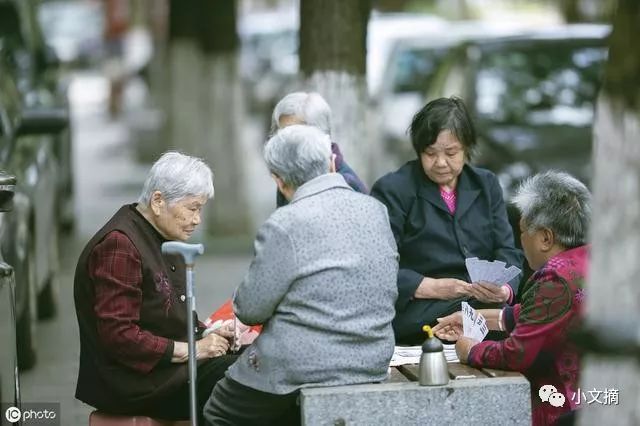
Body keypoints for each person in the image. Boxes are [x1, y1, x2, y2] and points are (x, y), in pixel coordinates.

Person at [204, 125, 399, 425]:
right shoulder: (376, 210)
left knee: (219, 412)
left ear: (279, 181)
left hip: (300, 367)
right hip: (372, 359)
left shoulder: (285, 223)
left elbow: (250, 307)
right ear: (332, 163)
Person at [74, 152, 237, 421]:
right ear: (158, 201)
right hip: (136, 385)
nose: (197, 220)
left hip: (166, 373)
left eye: (200, 210)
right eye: (192, 208)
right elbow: (119, 335)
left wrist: (213, 333)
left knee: (254, 363)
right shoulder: (120, 244)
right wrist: (195, 350)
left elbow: (172, 316)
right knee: (245, 383)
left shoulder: (161, 234)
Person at [433, 171, 591, 426]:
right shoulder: (591, 259)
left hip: (565, 409)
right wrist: (476, 318)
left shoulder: (554, 277)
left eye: (523, 231)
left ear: (545, 237)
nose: (521, 241)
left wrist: (470, 349)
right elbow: (538, 316)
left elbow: (518, 354)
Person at [370, 96, 524, 344]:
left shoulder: (485, 185)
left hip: (482, 303)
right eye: (430, 153)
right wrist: (431, 286)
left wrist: (504, 290)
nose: (440, 162)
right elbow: (376, 263)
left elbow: (508, 250)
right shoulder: (394, 189)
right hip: (420, 309)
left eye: (451, 153)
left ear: (467, 148)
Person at [270, 91, 368, 207]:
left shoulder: (347, 184)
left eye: (294, 133)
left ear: (321, 133)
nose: (284, 142)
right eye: (282, 133)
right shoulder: (290, 172)